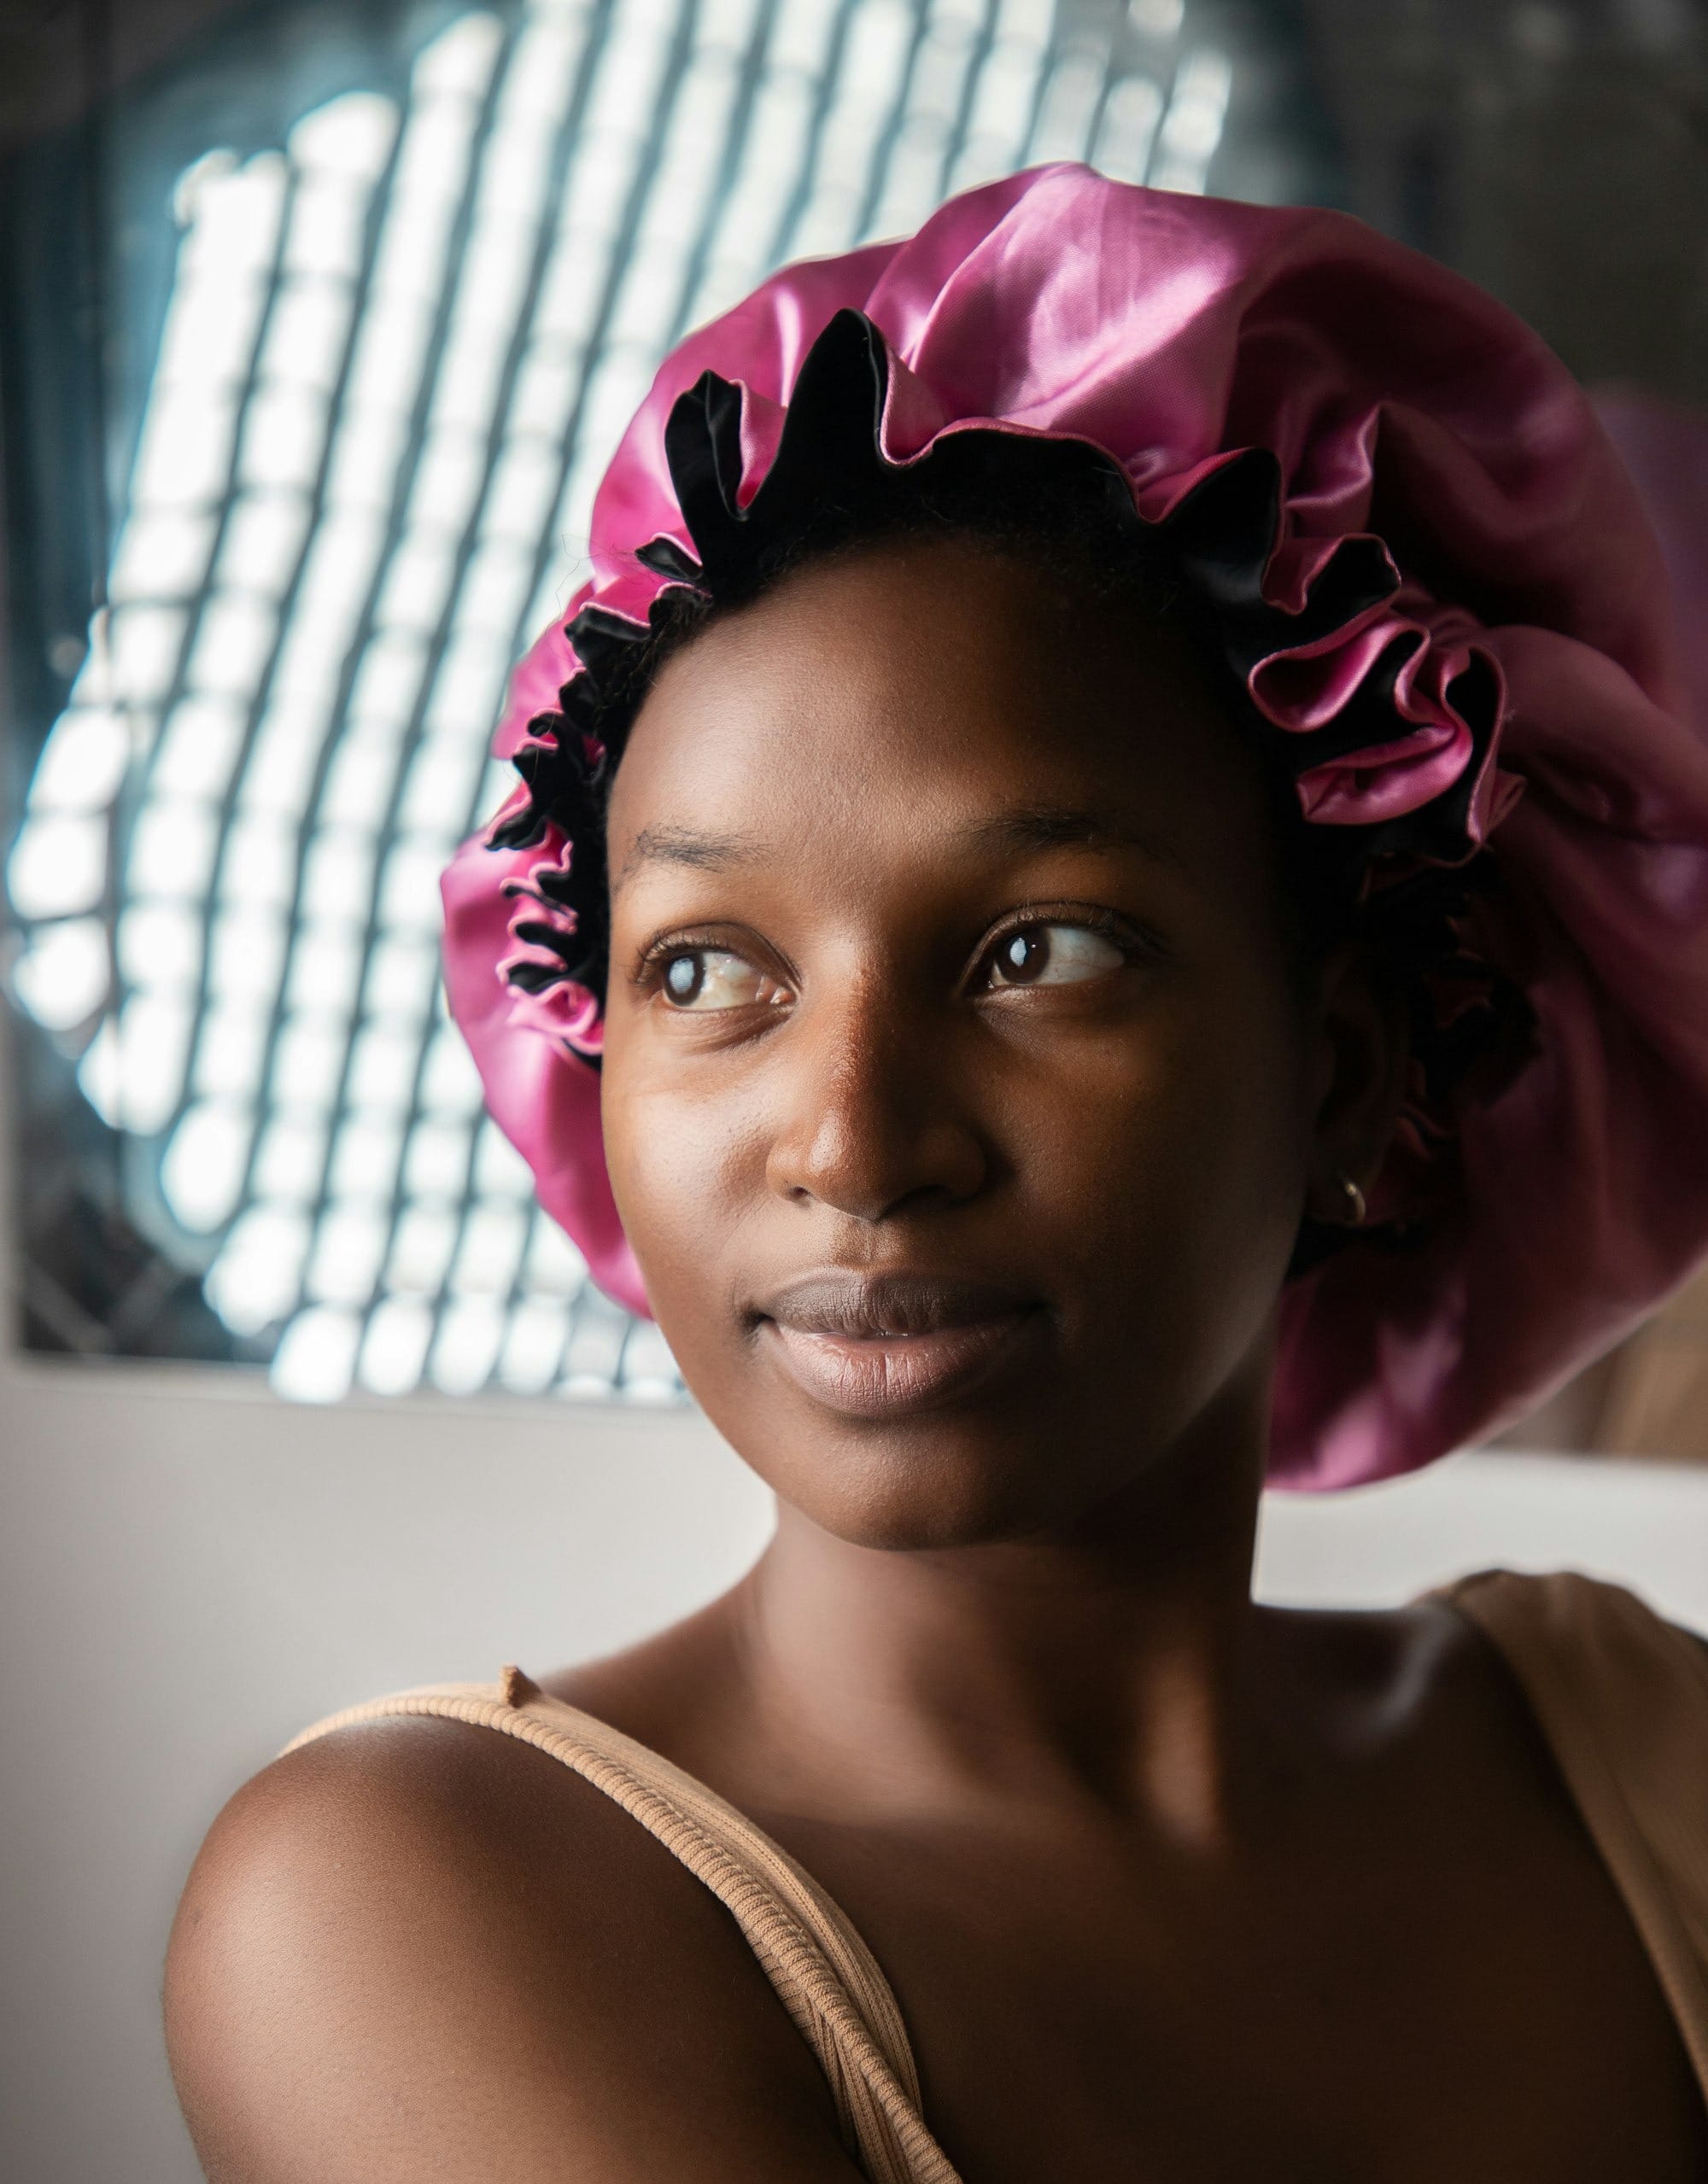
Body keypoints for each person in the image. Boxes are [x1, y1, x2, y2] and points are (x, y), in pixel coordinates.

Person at [163, 167, 1708, 2182]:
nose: (854, 1145)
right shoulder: (420, 1905)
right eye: (703, 972)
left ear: (1347, 1075)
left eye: (1038, 951)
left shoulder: (1636, 1752)